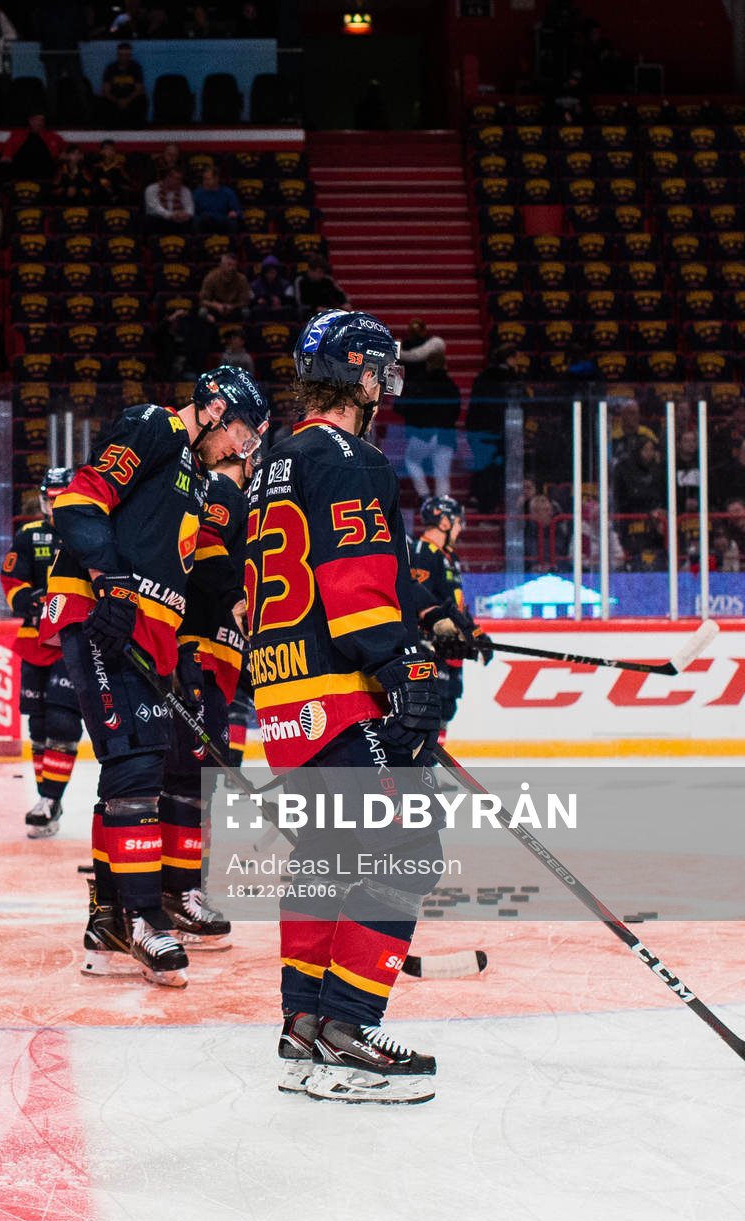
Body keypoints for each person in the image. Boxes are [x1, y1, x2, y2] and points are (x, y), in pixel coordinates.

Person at [251, 309, 444, 1104]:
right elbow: (357, 582)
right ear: (361, 375)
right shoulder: (352, 458)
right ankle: (347, 1024)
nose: (385, 383)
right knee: (407, 852)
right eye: (381, 369)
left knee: (327, 862)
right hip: (338, 697)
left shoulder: (272, 461)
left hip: (283, 698)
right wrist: (401, 667)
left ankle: (303, 1021)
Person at [40, 368, 264, 987]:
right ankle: (141, 919)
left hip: (149, 632)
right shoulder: (156, 425)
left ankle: (110, 916)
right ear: (215, 409)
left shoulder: (195, 478)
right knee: (136, 765)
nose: (241, 448)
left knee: (134, 765)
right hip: (104, 614)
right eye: (241, 431)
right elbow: (83, 499)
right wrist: (108, 580)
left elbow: (188, 574)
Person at [160, 400, 262, 950]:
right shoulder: (222, 493)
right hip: (197, 654)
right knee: (187, 781)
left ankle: (179, 888)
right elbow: (208, 555)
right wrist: (239, 602)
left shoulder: (224, 493)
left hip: (214, 659)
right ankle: (178, 893)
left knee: (194, 781)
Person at [0, 470, 83, 839]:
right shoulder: (29, 534)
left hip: (73, 639)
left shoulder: (90, 529)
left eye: (60, 497)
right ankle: (47, 800)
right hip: (36, 638)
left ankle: (50, 798)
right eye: (49, 498)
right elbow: (11, 579)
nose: (54, 504)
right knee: (38, 726)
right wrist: (27, 600)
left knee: (64, 722)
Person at [409, 495, 490, 748]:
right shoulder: (422, 553)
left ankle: (432, 766)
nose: (461, 527)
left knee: (446, 706)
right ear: (443, 521)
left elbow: (455, 607)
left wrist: (475, 634)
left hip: (451, 647)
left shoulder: (450, 557)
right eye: (457, 521)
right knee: (428, 707)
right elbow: (419, 601)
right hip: (431, 647)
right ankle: (421, 767)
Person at [398, 349, 463, 500]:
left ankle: (425, 496)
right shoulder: (451, 386)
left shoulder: (420, 384)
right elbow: (456, 411)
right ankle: (443, 506)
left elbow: (407, 407)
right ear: (445, 365)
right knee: (443, 474)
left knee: (412, 460)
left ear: (427, 365)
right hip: (445, 434)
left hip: (422, 432)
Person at [101, 42, 147, 126]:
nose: (124, 57)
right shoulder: (111, 68)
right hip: (114, 99)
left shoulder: (135, 68)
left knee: (142, 100)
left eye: (127, 55)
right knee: (103, 102)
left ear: (130, 55)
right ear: (118, 55)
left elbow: (139, 89)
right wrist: (117, 100)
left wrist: (127, 100)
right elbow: (106, 90)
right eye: (121, 55)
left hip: (131, 98)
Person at [142, 167, 195, 233]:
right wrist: (171, 215)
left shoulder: (185, 190)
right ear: (167, 177)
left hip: (178, 221)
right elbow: (155, 208)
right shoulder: (151, 189)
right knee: (151, 219)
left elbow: (190, 209)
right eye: (176, 179)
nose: (179, 182)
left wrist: (185, 215)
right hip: (159, 221)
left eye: (181, 179)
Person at [191, 166, 242, 234]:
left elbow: (238, 211)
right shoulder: (198, 193)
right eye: (204, 179)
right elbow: (192, 211)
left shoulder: (227, 192)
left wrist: (235, 213)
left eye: (208, 179)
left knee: (232, 222)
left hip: (222, 221)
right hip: (205, 221)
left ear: (216, 179)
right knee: (196, 220)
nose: (205, 182)